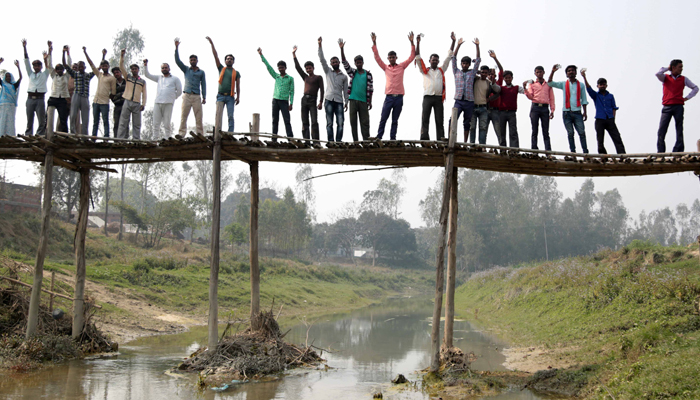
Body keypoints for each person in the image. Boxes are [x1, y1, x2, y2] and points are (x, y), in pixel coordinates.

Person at [371, 31, 415, 140]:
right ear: (388, 59)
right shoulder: (386, 67)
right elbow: (377, 58)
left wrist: (412, 42)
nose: (391, 59)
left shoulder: (401, 66)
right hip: (389, 97)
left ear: (396, 57)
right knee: (383, 118)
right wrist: (374, 43)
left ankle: (392, 138)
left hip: (399, 97)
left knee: (395, 120)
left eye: (393, 57)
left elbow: (411, 57)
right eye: (390, 58)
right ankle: (379, 136)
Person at [655, 59, 698, 153]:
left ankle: (678, 150)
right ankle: (660, 152)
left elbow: (695, 88)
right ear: (673, 68)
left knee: (679, 129)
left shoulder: (683, 79)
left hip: (678, 106)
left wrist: (686, 98)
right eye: (680, 67)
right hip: (667, 106)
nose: (681, 69)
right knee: (662, 130)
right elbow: (658, 73)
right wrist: (668, 68)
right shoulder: (665, 77)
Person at [415, 34, 450, 141]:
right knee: (425, 118)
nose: (434, 61)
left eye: (436, 60)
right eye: (433, 60)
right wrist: (418, 42)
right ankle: (424, 138)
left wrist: (453, 42)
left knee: (439, 120)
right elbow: (417, 57)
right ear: (429, 61)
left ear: (438, 62)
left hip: (439, 98)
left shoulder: (441, 70)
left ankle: (441, 139)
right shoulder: (425, 71)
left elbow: (449, 58)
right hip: (427, 97)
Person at [581, 70, 626, 154]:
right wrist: (584, 77)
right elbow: (589, 89)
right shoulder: (596, 95)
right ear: (597, 86)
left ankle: (622, 155)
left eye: (603, 84)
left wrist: (613, 119)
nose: (602, 86)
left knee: (617, 138)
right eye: (600, 84)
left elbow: (614, 108)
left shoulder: (610, 96)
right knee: (600, 141)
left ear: (606, 85)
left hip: (610, 119)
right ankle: (603, 156)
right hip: (599, 120)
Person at [548, 64, 589, 153]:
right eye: (569, 71)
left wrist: (585, 112)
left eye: (572, 70)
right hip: (567, 113)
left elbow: (584, 100)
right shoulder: (564, 84)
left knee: (582, 133)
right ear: (566, 74)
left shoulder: (581, 85)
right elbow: (550, 83)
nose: (571, 72)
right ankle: (573, 153)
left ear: (575, 73)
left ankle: (585, 153)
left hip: (577, 112)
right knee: (570, 133)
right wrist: (552, 71)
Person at [339, 39, 373, 142]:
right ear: (355, 63)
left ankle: (366, 142)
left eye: (360, 62)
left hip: (363, 101)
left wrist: (370, 101)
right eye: (357, 63)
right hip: (353, 100)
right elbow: (345, 63)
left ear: (363, 63)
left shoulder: (368, 74)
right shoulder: (353, 72)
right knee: (353, 122)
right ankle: (356, 142)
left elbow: (371, 89)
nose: (358, 64)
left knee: (365, 122)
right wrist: (342, 49)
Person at [448, 34, 480, 142]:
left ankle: (465, 141)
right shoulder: (456, 71)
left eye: (467, 63)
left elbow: (478, 60)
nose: (465, 65)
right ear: (461, 64)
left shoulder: (472, 72)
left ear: (469, 64)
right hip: (458, 100)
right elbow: (453, 58)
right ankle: (450, 139)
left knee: (467, 122)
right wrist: (458, 45)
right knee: (453, 119)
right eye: (463, 63)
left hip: (469, 101)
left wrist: (477, 46)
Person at [257, 47, 294, 140]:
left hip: (284, 101)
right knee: (275, 120)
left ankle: (290, 138)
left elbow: (292, 91)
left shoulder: (290, 78)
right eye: (279, 67)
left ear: (285, 68)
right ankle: (274, 139)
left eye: (282, 67)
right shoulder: (276, 76)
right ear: (278, 68)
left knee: (287, 120)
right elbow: (268, 66)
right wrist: (261, 55)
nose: (281, 69)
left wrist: (291, 103)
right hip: (275, 100)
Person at [206, 36, 239, 134]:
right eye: (228, 59)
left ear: (233, 61)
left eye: (231, 59)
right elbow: (215, 56)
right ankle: (217, 132)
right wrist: (212, 44)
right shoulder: (221, 68)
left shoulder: (236, 72)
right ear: (225, 61)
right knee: (218, 115)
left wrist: (238, 97)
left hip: (230, 96)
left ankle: (230, 133)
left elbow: (238, 86)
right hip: (220, 95)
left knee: (230, 116)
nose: (229, 60)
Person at [318, 37, 348, 142]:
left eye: (336, 62)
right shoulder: (328, 72)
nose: (334, 63)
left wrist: (346, 102)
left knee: (340, 123)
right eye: (333, 62)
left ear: (339, 62)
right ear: (331, 64)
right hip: (329, 100)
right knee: (329, 123)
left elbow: (345, 90)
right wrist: (320, 45)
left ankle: (338, 141)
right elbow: (322, 60)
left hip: (339, 101)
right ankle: (331, 141)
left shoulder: (344, 76)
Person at [174, 38, 206, 136]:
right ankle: (181, 133)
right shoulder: (186, 70)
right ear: (189, 61)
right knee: (184, 115)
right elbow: (178, 61)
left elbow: (203, 84)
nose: (192, 61)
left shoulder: (201, 72)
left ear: (197, 61)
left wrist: (204, 97)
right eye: (191, 60)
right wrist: (176, 48)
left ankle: (200, 133)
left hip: (196, 96)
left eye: (194, 60)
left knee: (199, 116)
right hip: (187, 95)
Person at [144, 58, 182, 138]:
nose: (164, 69)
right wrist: (145, 65)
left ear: (169, 69)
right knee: (155, 123)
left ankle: (167, 139)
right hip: (158, 102)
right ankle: (155, 139)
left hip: (168, 103)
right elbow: (147, 75)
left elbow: (179, 91)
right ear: (161, 69)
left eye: (166, 67)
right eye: (162, 68)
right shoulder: (159, 78)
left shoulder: (175, 78)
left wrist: (172, 97)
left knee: (167, 123)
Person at [293, 45, 323, 144]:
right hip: (304, 100)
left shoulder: (318, 77)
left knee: (314, 121)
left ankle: (316, 141)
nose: (308, 70)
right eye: (307, 68)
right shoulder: (305, 77)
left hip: (313, 100)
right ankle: (306, 141)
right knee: (305, 121)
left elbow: (322, 90)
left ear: (313, 68)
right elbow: (298, 68)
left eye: (310, 68)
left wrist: (320, 102)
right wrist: (294, 55)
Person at [63, 46, 95, 136]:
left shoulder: (88, 75)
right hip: (76, 95)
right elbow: (65, 65)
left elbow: (96, 69)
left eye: (82, 66)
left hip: (85, 96)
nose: (81, 68)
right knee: (73, 115)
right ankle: (72, 134)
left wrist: (85, 52)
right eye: (79, 66)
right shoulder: (75, 74)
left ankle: (85, 136)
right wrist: (64, 53)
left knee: (85, 117)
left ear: (84, 67)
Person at [22, 39, 52, 136]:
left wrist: (49, 50)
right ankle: (28, 135)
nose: (36, 67)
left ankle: (40, 135)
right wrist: (24, 47)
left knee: (41, 120)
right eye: (35, 65)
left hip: (40, 99)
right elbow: (26, 62)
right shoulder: (30, 74)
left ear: (41, 67)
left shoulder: (44, 74)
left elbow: (49, 65)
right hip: (30, 98)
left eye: (38, 65)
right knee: (29, 120)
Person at [85, 48, 116, 137]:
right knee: (95, 121)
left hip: (104, 102)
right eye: (103, 66)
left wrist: (108, 97)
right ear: (101, 67)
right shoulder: (99, 75)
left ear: (108, 67)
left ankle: (106, 137)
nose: (104, 67)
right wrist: (85, 53)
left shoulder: (112, 78)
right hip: (96, 101)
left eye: (106, 66)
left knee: (105, 121)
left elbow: (113, 92)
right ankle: (93, 137)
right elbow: (92, 65)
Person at [116, 49, 147, 139]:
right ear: (131, 70)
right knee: (123, 122)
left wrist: (143, 104)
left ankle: (136, 139)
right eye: (132, 69)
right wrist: (122, 56)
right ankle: (120, 139)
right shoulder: (128, 77)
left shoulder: (142, 81)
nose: (134, 70)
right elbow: (121, 67)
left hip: (136, 103)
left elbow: (144, 94)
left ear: (138, 70)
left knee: (137, 123)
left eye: (135, 69)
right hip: (127, 101)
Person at [524, 66, 555, 151]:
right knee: (534, 130)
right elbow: (530, 96)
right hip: (535, 107)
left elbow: (551, 98)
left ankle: (548, 151)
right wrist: (525, 89)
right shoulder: (532, 84)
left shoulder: (548, 84)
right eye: (537, 72)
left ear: (543, 72)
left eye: (540, 72)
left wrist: (552, 110)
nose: (539, 74)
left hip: (545, 108)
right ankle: (534, 150)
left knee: (546, 131)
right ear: (535, 73)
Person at [469, 65, 501, 144]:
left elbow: (498, 92)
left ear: (488, 74)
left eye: (485, 73)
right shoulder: (475, 79)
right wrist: (477, 72)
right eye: (482, 72)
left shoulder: (489, 83)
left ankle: (481, 146)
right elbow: (470, 72)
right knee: (472, 127)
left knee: (483, 128)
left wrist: (489, 99)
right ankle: (472, 144)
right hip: (473, 107)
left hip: (483, 108)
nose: (483, 74)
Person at [495, 70, 525, 148]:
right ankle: (503, 150)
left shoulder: (516, 88)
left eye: (509, 78)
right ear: (504, 79)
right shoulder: (501, 88)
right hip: (502, 112)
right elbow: (495, 88)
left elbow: (525, 91)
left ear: (512, 78)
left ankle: (514, 150)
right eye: (506, 78)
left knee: (513, 132)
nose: (508, 79)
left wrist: (527, 86)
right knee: (502, 132)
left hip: (512, 113)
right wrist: (492, 80)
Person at [47, 44, 71, 133]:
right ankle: (48, 133)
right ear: (56, 70)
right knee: (49, 117)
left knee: (63, 119)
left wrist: (67, 53)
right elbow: (49, 65)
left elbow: (69, 64)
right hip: (53, 97)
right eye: (58, 69)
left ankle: (65, 135)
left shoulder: (66, 76)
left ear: (63, 70)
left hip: (62, 99)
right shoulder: (54, 76)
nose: (60, 70)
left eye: (61, 69)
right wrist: (50, 52)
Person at [0, 59, 22, 137]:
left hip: (11, 105)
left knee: (10, 120)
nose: (8, 77)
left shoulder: (14, 85)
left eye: (9, 76)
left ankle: (11, 136)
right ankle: (1, 135)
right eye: (7, 76)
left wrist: (18, 67)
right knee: (3, 120)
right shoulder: (3, 84)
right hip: (3, 104)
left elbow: (20, 78)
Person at [110, 67, 126, 137]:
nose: (116, 74)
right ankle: (116, 140)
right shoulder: (113, 84)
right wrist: (115, 100)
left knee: (125, 123)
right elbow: (111, 94)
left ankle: (125, 140)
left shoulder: (126, 82)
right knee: (116, 123)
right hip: (117, 105)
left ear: (121, 72)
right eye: (114, 73)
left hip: (125, 105)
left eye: (117, 72)